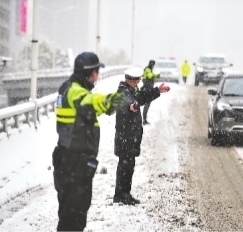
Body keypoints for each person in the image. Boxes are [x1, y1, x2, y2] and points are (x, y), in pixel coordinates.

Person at [52, 52, 124, 231]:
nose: (97, 76)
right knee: (74, 218)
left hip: (69, 161)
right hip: (74, 162)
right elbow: (88, 101)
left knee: (69, 215)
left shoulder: (67, 87)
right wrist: (108, 101)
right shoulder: (74, 91)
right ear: (89, 72)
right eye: (96, 71)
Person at [113, 67, 170, 205]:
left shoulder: (131, 90)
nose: (139, 82)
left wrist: (157, 91)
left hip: (130, 136)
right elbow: (128, 103)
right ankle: (121, 195)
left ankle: (124, 193)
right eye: (137, 79)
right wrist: (131, 106)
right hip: (125, 136)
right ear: (131, 80)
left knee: (128, 166)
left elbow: (142, 97)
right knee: (125, 167)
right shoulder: (123, 92)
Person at [141, 59, 160, 125]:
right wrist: (156, 76)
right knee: (147, 104)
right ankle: (144, 119)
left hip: (148, 89)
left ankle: (144, 119)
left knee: (147, 104)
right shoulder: (148, 69)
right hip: (147, 89)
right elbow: (150, 76)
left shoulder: (148, 69)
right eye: (153, 64)